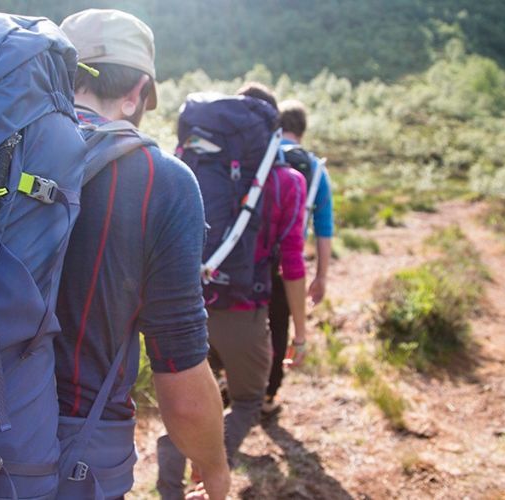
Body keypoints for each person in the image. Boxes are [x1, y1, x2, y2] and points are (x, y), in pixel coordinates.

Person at [55, 9, 230, 500]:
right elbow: (180, 377)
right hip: (70, 460)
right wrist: (213, 468)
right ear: (136, 92)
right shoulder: (161, 180)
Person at [159, 82, 307, 497]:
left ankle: (171, 485)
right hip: (244, 310)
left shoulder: (188, 166)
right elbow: (292, 265)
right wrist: (301, 331)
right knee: (246, 399)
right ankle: (211, 474)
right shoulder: (288, 182)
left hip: (184, 306)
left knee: (186, 403)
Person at [262, 98, 334, 417]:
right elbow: (324, 227)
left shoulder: (263, 158)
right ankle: (267, 394)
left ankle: (233, 383)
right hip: (286, 262)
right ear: (302, 130)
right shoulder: (314, 168)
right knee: (279, 324)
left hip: (250, 257)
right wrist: (321, 276)